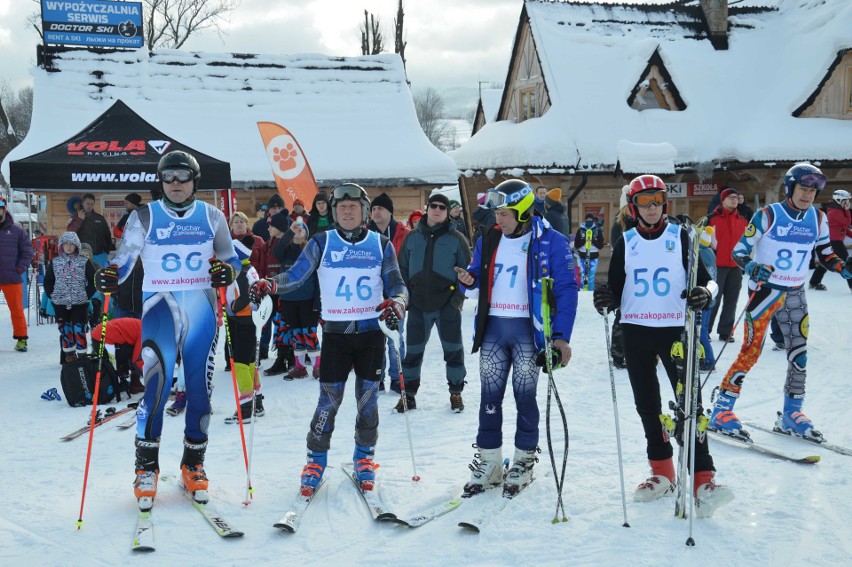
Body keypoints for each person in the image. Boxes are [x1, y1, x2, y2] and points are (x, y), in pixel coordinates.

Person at [93, 150, 240, 510]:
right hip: (160, 310)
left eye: (182, 177)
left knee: (200, 393)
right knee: (155, 391)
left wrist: (229, 271)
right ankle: (146, 468)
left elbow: (230, 257)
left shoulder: (213, 215)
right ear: (160, 181)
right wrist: (111, 275)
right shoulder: (144, 215)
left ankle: (194, 464)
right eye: (168, 177)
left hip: (202, 312)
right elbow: (124, 259)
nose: (175, 184)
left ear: (194, 181)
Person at [249, 183, 408, 496]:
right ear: (335, 212)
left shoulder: (381, 243)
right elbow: (294, 277)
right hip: (336, 336)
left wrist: (398, 304)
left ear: (364, 211)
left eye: (353, 207)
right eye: (342, 207)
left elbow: (398, 285)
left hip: (370, 336)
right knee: (328, 403)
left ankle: (364, 458)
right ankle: (315, 460)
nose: (347, 212)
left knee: (368, 402)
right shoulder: (322, 241)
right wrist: (270, 284)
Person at [592, 174, 732, 516]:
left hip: (674, 332)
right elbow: (613, 287)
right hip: (636, 330)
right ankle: (662, 472)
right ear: (633, 206)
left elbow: (709, 283)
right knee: (647, 404)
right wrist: (604, 298)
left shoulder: (682, 236)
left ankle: (703, 479)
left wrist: (704, 295)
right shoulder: (626, 240)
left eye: (657, 200)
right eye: (644, 202)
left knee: (691, 406)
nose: (652, 208)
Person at [708, 164, 852, 441]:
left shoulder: (819, 219)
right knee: (751, 351)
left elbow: (824, 252)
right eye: (803, 189)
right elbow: (739, 251)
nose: (807, 195)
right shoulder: (768, 215)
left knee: (799, 353)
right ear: (790, 188)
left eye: (812, 191)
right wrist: (752, 267)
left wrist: (841, 267)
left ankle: (792, 412)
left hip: (795, 293)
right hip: (765, 292)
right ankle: (722, 409)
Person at [454, 179, 577, 497]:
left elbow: (566, 290)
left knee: (525, 398)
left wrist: (561, 338)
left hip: (527, 331)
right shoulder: (489, 238)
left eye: (506, 214)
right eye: (497, 213)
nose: (499, 220)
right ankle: (490, 462)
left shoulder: (551, 241)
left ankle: (523, 460)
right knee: (489, 399)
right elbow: (476, 277)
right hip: (494, 328)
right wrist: (469, 280)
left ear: (523, 212)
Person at [397, 193, 471, 412]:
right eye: (434, 206)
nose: (437, 210)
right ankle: (408, 395)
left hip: (446, 305)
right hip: (418, 305)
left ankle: (455, 393)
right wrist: (405, 300)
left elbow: (468, 273)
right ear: (427, 208)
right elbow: (402, 270)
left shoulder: (457, 239)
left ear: (447, 212)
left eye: (442, 207)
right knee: (412, 353)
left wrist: (456, 300)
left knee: (453, 351)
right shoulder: (412, 238)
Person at [367, 192, 409, 389]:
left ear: (390, 212)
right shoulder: (365, 234)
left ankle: (395, 377)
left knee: (395, 340)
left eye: (380, 208)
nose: (376, 212)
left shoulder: (404, 233)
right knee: (375, 342)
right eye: (373, 209)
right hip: (372, 297)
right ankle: (378, 377)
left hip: (395, 296)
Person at [272, 218, 321, 380]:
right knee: (295, 333)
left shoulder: (312, 250)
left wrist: (317, 301)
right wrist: (289, 232)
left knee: (310, 333)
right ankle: (299, 367)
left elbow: (318, 278)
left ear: (307, 233)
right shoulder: (286, 249)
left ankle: (317, 366)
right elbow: (276, 252)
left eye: (301, 229)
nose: (298, 231)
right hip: (288, 298)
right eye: (295, 229)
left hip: (307, 299)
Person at [224, 238, 265, 422]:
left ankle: (247, 409)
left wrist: (231, 307)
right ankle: (257, 402)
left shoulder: (240, 272)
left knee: (240, 364)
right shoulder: (249, 268)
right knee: (249, 363)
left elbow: (245, 297)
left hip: (242, 320)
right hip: (249, 321)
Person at [44, 232, 96, 363]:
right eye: (65, 244)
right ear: (61, 245)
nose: (68, 246)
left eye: (71, 244)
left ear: (76, 245)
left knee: (79, 329)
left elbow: (93, 279)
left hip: (80, 303)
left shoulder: (84, 261)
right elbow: (48, 281)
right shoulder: (55, 262)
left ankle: (83, 357)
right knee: (65, 329)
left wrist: (86, 294)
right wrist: (53, 295)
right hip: (61, 303)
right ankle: (69, 358)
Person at [706, 186, 749, 343]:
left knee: (732, 300)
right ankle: (706, 330)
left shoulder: (743, 220)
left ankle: (725, 332)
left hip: (735, 266)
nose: (734, 200)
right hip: (716, 265)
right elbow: (703, 242)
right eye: (730, 197)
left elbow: (747, 243)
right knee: (713, 299)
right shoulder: (711, 219)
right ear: (722, 200)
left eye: (736, 197)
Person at [263, 210, 296, 375]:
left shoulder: (287, 244)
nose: (268, 229)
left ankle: (286, 357)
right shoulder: (271, 243)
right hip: (273, 289)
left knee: (284, 324)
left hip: (286, 289)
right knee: (279, 323)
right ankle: (285, 356)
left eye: (271, 226)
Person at [0, 198, 34, 352]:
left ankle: (21, 339)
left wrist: (20, 268)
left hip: (11, 277)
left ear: (4, 209)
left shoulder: (17, 231)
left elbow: (27, 251)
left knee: (17, 309)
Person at [808, 189, 852, 292]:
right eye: (846, 200)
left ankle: (814, 283)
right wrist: (847, 210)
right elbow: (847, 222)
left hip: (835, 241)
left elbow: (844, 228)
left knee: (825, 263)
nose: (848, 203)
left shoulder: (838, 210)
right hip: (834, 241)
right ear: (839, 200)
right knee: (848, 264)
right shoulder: (834, 212)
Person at [91, 317, 146, 394]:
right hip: (104, 339)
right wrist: (149, 376)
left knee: (130, 349)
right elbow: (137, 359)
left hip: (98, 335)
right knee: (133, 352)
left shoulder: (143, 325)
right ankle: (134, 383)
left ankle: (133, 382)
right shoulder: (145, 333)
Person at [67, 193, 113, 268]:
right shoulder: (75, 217)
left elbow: (108, 235)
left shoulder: (100, 218)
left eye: (92, 204)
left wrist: (106, 252)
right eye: (87, 203)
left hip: (99, 255)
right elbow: (70, 232)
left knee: (99, 277)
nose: (89, 206)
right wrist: (79, 219)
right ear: (83, 203)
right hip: (82, 255)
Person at [574, 213, 604, 291]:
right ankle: (583, 291)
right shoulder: (580, 230)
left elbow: (601, 245)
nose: (589, 221)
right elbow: (576, 245)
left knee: (591, 276)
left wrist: (592, 240)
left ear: (593, 220)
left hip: (593, 257)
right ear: (585, 220)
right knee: (584, 275)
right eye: (587, 220)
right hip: (583, 257)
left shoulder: (597, 230)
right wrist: (585, 240)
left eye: (590, 220)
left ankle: (590, 292)